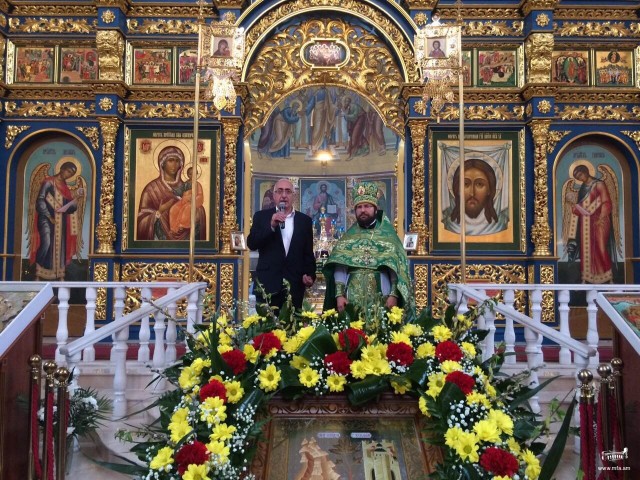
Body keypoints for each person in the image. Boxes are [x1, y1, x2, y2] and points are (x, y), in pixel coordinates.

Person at [323, 181, 412, 314]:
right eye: (359, 207)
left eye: (367, 206)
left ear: (376, 208)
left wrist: (394, 295)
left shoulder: (388, 236)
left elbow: (396, 267)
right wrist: (339, 295)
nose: (363, 210)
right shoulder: (348, 238)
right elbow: (340, 266)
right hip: (352, 297)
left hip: (382, 295)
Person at [247, 178, 316, 310]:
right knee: (266, 322)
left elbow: (307, 253)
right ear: (274, 196)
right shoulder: (261, 217)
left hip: (294, 286)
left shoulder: (304, 221)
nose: (284, 195)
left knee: (293, 322)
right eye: (279, 191)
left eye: (288, 191)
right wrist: (271, 226)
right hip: (267, 284)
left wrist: (310, 274)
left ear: (294, 196)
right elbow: (252, 243)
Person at [29, 160, 85, 280]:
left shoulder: (65, 187)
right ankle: (38, 272)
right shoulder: (49, 182)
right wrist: (49, 216)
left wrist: (76, 199)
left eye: (71, 174)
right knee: (47, 242)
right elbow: (40, 199)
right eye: (68, 171)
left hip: (60, 221)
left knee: (60, 246)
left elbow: (69, 207)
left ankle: (59, 274)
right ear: (62, 169)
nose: (69, 175)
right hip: (46, 218)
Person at [137, 146, 206, 241]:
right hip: (160, 241)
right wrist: (159, 212)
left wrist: (198, 213)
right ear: (162, 163)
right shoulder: (151, 189)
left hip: (185, 240)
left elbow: (198, 204)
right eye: (170, 160)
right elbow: (141, 221)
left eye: (177, 161)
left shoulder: (187, 186)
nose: (174, 164)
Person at [564, 164, 618, 284]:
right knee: (586, 249)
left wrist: (601, 217)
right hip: (586, 223)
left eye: (580, 174)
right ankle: (586, 277)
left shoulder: (599, 184)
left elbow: (606, 202)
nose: (580, 178)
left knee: (600, 247)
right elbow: (581, 206)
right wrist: (574, 206)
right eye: (577, 177)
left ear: (586, 172)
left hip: (600, 221)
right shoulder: (583, 188)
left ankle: (608, 277)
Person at [443, 158, 509, 235]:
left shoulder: (501, 223)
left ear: (489, 189)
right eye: (465, 184)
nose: (472, 193)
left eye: (480, 184)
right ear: (457, 189)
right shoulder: (448, 224)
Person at [168, 167, 205, 234]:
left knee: (186, 208)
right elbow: (179, 191)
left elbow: (200, 195)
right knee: (173, 209)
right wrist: (173, 191)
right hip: (183, 201)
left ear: (197, 174)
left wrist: (193, 199)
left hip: (193, 202)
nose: (192, 176)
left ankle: (182, 225)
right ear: (187, 175)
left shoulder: (197, 184)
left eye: (194, 174)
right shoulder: (185, 184)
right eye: (190, 174)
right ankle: (173, 228)